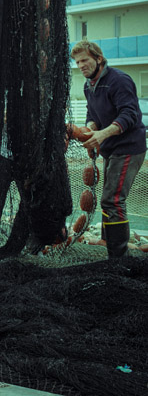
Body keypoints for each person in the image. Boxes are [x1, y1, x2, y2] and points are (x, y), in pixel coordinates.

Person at [71, 40, 146, 258]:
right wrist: (90, 130)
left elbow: (130, 115)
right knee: (108, 196)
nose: (81, 65)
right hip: (110, 149)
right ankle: (107, 241)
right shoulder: (89, 85)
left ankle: (118, 258)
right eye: (77, 62)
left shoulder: (119, 81)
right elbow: (92, 115)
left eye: (85, 60)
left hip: (129, 148)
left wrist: (101, 135)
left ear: (98, 59)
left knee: (113, 200)